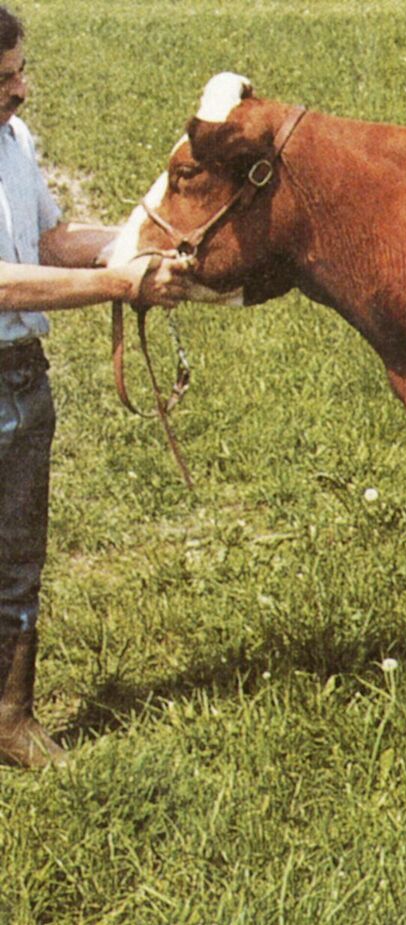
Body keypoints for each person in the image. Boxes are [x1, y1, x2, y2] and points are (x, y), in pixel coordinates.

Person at [0, 5, 190, 768]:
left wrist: (143, 244)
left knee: (17, 559)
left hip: (21, 381)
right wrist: (120, 282)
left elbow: (46, 242)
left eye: (20, 72)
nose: (21, 90)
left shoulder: (15, 140)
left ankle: (10, 718)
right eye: (4, 78)